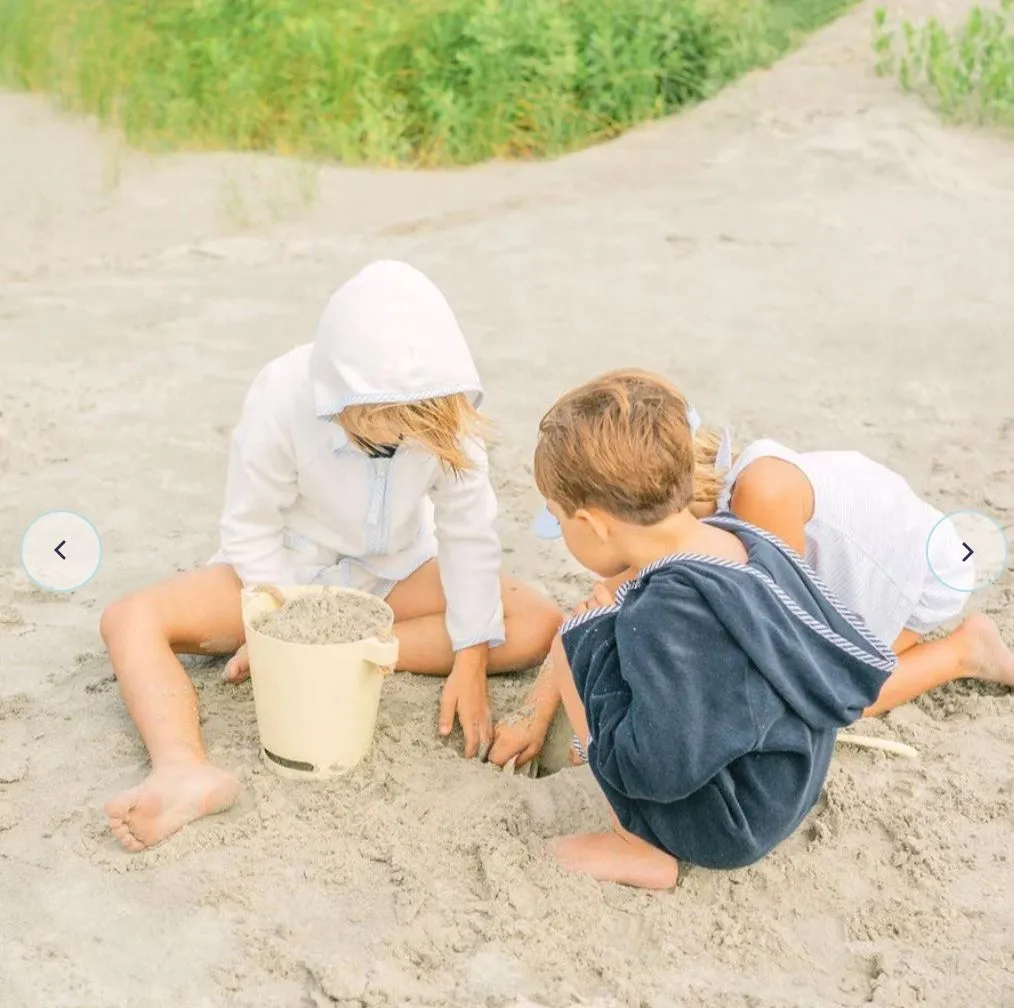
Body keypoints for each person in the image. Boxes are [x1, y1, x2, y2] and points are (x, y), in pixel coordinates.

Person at [99, 260, 562, 852]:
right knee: (129, 619)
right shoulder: (283, 391)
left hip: (394, 571)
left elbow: (468, 532)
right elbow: (250, 527)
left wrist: (471, 660)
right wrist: (276, 628)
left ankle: (351, 656)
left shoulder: (445, 407)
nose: (396, 439)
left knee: (536, 621)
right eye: (379, 428)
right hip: (287, 574)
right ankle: (181, 767)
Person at [491, 386, 1014, 771]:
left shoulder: (761, 497)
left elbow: (790, 640)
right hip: (850, 557)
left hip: (913, 572)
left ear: (599, 523)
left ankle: (966, 650)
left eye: (559, 521)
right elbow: (605, 599)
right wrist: (534, 711)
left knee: (836, 698)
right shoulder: (673, 522)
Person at [524, 368, 901, 888]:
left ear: (591, 524)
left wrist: (600, 703)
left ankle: (635, 844)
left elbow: (659, 767)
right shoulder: (740, 538)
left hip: (727, 824)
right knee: (608, 631)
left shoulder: (667, 614)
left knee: (577, 640)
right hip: (786, 780)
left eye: (558, 518)